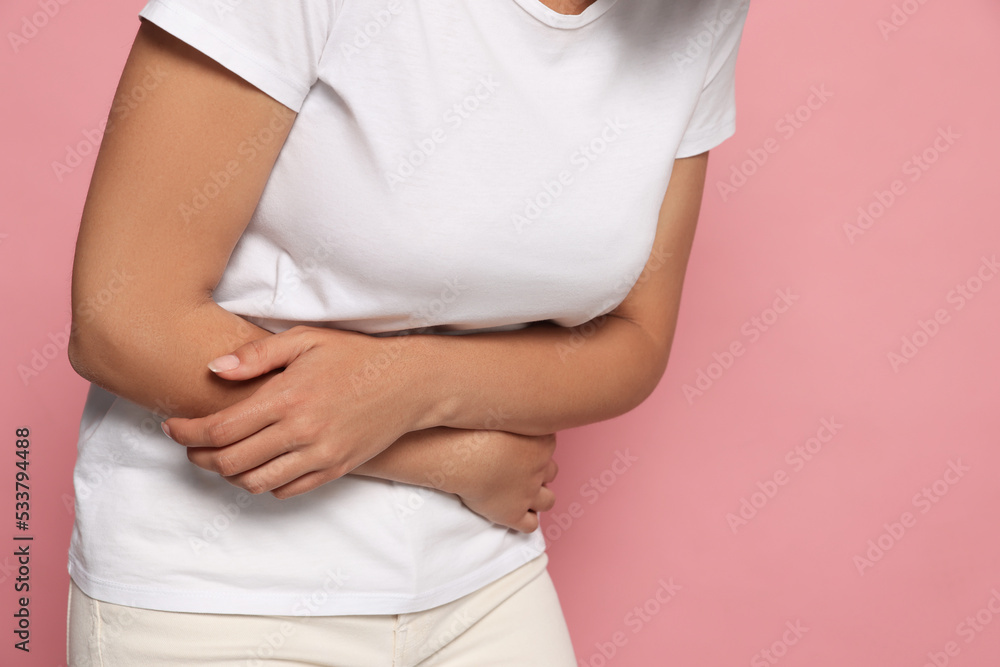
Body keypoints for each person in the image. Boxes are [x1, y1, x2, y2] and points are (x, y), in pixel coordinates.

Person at [65, 0, 750, 664]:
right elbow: (123, 319)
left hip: (483, 577)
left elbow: (635, 340)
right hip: (211, 592)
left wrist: (415, 386)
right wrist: (457, 460)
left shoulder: (702, 11)